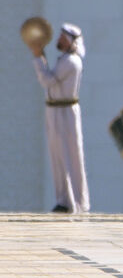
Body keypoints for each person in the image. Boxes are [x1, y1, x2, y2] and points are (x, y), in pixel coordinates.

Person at [31, 24, 89, 213]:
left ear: (71, 42)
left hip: (65, 112)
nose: (59, 40)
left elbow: (48, 80)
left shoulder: (71, 61)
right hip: (55, 110)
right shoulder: (63, 59)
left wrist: (38, 57)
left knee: (68, 155)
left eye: (64, 38)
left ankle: (73, 200)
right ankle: (64, 198)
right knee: (57, 156)